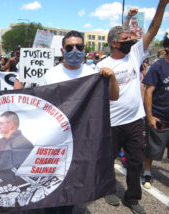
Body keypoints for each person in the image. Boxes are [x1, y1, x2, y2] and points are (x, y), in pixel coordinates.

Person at [97, 2, 169, 213]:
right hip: (110, 123)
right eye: (125, 39)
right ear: (114, 44)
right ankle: (109, 187)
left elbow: (153, 29)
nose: (131, 40)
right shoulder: (101, 66)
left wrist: (161, 6)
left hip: (134, 122)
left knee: (136, 162)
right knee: (107, 159)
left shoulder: (135, 54)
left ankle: (133, 198)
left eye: (131, 38)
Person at [42, 30, 119, 214]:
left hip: (82, 138)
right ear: (62, 50)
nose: (74, 50)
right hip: (57, 139)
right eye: (70, 47)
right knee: (54, 178)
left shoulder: (94, 73)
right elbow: (40, 105)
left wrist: (112, 78)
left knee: (74, 178)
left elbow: (114, 96)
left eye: (79, 46)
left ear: (85, 49)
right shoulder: (51, 75)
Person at [142, 32, 169, 189]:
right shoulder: (158, 66)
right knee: (152, 149)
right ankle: (146, 172)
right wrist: (150, 116)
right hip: (159, 117)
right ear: (167, 47)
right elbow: (148, 91)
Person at [0, 111, 33, 186]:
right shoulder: (7, 142)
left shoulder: (21, 143)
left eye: (1, 123)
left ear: (10, 125)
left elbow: (16, 174)